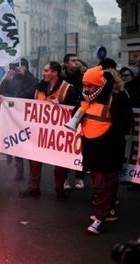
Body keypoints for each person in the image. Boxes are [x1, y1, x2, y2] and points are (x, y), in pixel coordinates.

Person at [71, 66, 132, 234]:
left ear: (101, 84)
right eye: (85, 85)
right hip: (92, 147)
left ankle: (99, 217)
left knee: (104, 184)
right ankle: (108, 211)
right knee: (102, 183)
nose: (86, 89)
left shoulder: (117, 98)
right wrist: (80, 107)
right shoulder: (89, 98)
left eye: (90, 86)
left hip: (108, 149)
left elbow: (123, 125)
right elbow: (77, 118)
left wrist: (104, 140)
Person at [19, 61, 79, 201]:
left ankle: (59, 190)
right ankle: (34, 188)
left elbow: (76, 108)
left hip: (58, 135)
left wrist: (62, 105)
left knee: (59, 164)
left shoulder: (68, 88)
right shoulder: (39, 87)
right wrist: (6, 100)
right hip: (39, 133)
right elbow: (24, 99)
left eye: (46, 70)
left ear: (55, 73)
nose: (43, 73)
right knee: (35, 161)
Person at [0, 58, 38, 181]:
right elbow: (2, 92)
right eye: (16, 67)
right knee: (17, 144)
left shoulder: (32, 79)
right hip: (15, 117)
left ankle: (33, 174)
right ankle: (19, 172)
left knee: (31, 146)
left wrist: (24, 75)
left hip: (29, 117)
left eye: (21, 67)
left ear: (26, 67)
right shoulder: (12, 79)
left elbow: (30, 93)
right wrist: (8, 78)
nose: (18, 69)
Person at [61, 53, 86, 190]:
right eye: (73, 61)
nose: (76, 63)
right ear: (66, 63)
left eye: (77, 60)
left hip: (81, 114)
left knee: (79, 147)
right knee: (64, 146)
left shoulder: (83, 76)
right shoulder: (61, 77)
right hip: (64, 116)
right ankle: (64, 178)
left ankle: (80, 177)